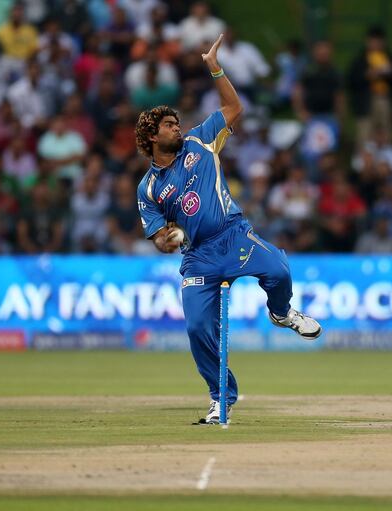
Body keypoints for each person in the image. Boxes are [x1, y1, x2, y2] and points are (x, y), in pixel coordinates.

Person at [135, 35, 321, 426]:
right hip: (198, 256)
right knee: (198, 327)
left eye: (177, 122)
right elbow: (158, 238)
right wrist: (168, 240)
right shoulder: (148, 188)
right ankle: (221, 398)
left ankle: (281, 312)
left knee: (279, 270)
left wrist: (213, 66)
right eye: (169, 125)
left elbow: (233, 107)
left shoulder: (200, 141)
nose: (177, 127)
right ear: (153, 137)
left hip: (233, 236)